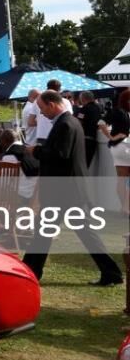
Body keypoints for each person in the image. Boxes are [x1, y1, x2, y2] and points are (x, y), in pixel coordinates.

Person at [22, 90, 122, 285]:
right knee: (50, 232)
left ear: (52, 104)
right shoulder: (70, 122)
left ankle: (30, 270)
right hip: (68, 189)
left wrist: (36, 150)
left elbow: (61, 154)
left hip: (64, 190)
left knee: (48, 232)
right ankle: (31, 270)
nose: (41, 113)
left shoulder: (66, 124)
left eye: (42, 108)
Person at [75, 91, 104, 167]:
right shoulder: (98, 108)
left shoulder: (84, 109)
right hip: (93, 139)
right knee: (87, 164)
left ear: (83, 99)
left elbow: (79, 122)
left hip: (84, 139)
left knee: (80, 163)